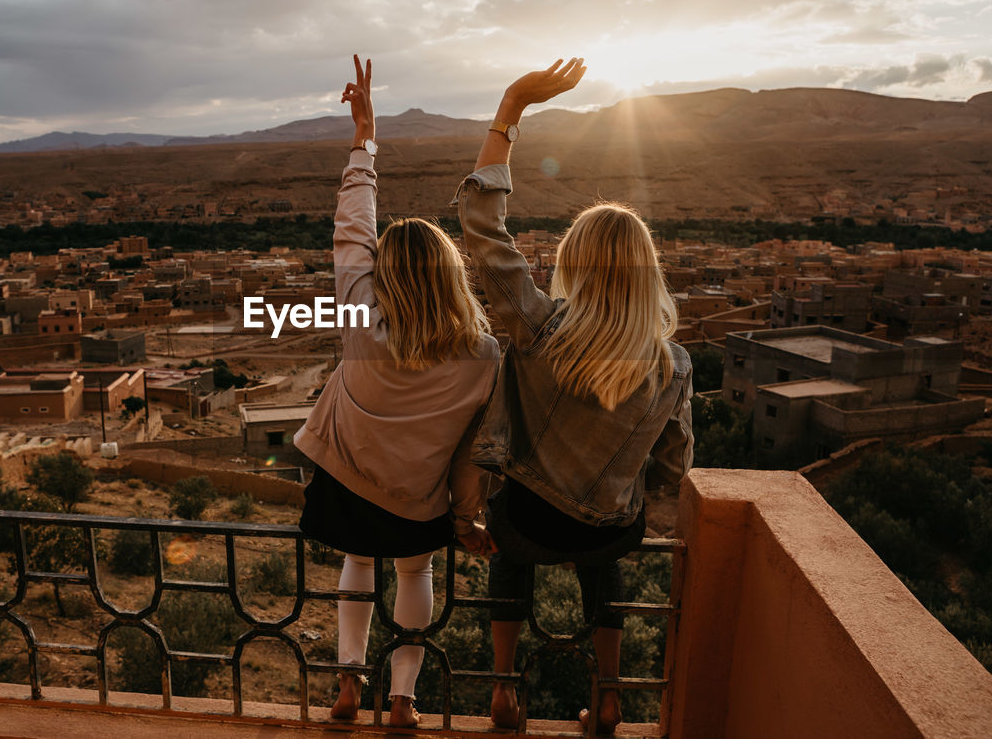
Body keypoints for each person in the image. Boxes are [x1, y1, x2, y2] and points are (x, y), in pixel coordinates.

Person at [454, 58, 694, 735]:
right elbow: (677, 467)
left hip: (526, 521)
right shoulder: (673, 364)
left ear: (574, 262)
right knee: (608, 555)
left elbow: (481, 229)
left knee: (509, 540)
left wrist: (510, 109)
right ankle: (611, 694)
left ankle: (503, 689)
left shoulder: (539, 328)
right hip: (609, 530)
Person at [296, 54, 500, 728]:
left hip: (345, 487)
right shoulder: (481, 353)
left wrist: (365, 142)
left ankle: (348, 685)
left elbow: (352, 232)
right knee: (414, 574)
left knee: (358, 564)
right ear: (450, 276)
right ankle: (405, 700)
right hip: (416, 503)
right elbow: (474, 449)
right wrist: (468, 515)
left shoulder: (359, 315)